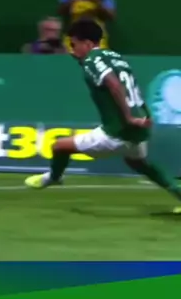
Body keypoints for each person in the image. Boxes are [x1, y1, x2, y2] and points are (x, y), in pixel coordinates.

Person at [24, 19, 181, 213]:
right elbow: (132, 87)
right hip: (138, 128)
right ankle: (177, 191)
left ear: (88, 43)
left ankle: (54, 177)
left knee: (59, 146)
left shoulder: (92, 60)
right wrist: (143, 116)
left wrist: (128, 118)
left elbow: (114, 85)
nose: (72, 50)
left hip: (118, 131)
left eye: (74, 44)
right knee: (138, 162)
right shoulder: (115, 57)